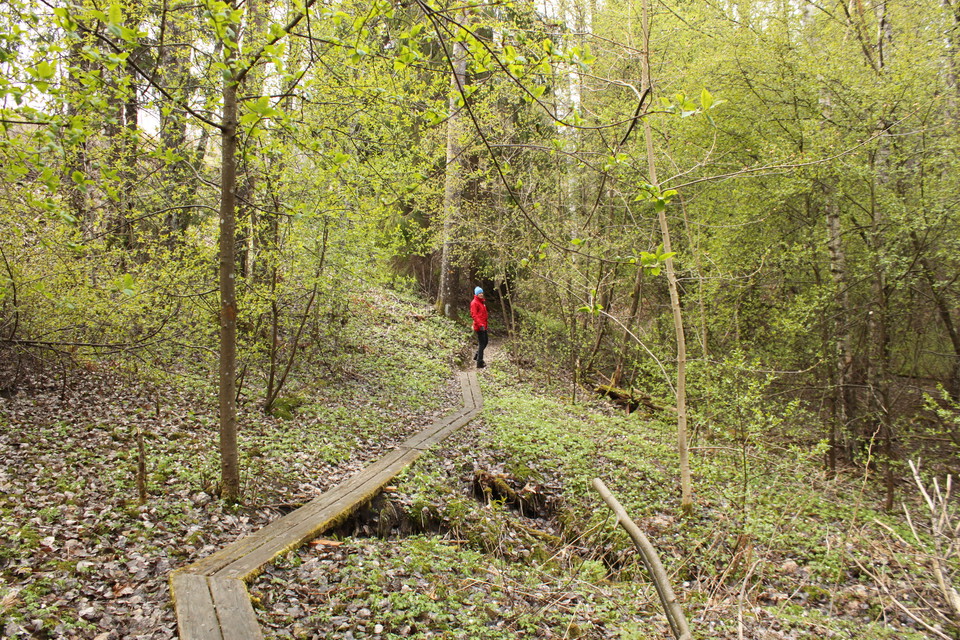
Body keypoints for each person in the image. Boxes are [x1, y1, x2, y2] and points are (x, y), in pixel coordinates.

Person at [470, 286, 488, 368]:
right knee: (482, 343)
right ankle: (479, 362)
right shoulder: (474, 303)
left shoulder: (482, 302)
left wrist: (484, 324)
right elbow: (474, 315)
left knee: (486, 342)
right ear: (476, 294)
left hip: (484, 325)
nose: (481, 294)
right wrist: (480, 324)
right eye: (479, 293)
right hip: (479, 326)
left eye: (481, 293)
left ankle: (477, 355)